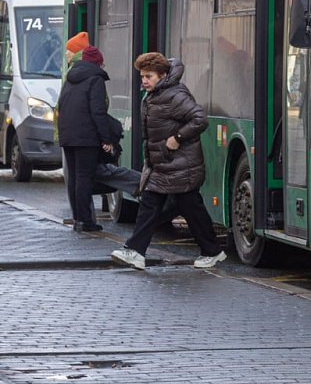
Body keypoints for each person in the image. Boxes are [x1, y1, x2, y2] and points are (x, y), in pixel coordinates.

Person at [111, 53, 226, 270]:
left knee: (172, 206)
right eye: (142, 76)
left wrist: (177, 138)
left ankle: (136, 251)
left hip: (179, 164)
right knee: (176, 206)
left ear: (163, 76)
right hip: (165, 164)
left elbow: (200, 119)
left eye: (149, 76)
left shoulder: (174, 95)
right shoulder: (156, 94)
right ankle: (211, 250)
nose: (144, 80)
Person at [57, 45, 113, 232]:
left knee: (74, 177)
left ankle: (78, 219)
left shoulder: (70, 77)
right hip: (86, 137)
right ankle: (85, 221)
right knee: (84, 178)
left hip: (68, 135)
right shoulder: (95, 79)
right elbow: (98, 111)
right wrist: (106, 138)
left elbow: (61, 106)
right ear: (98, 63)